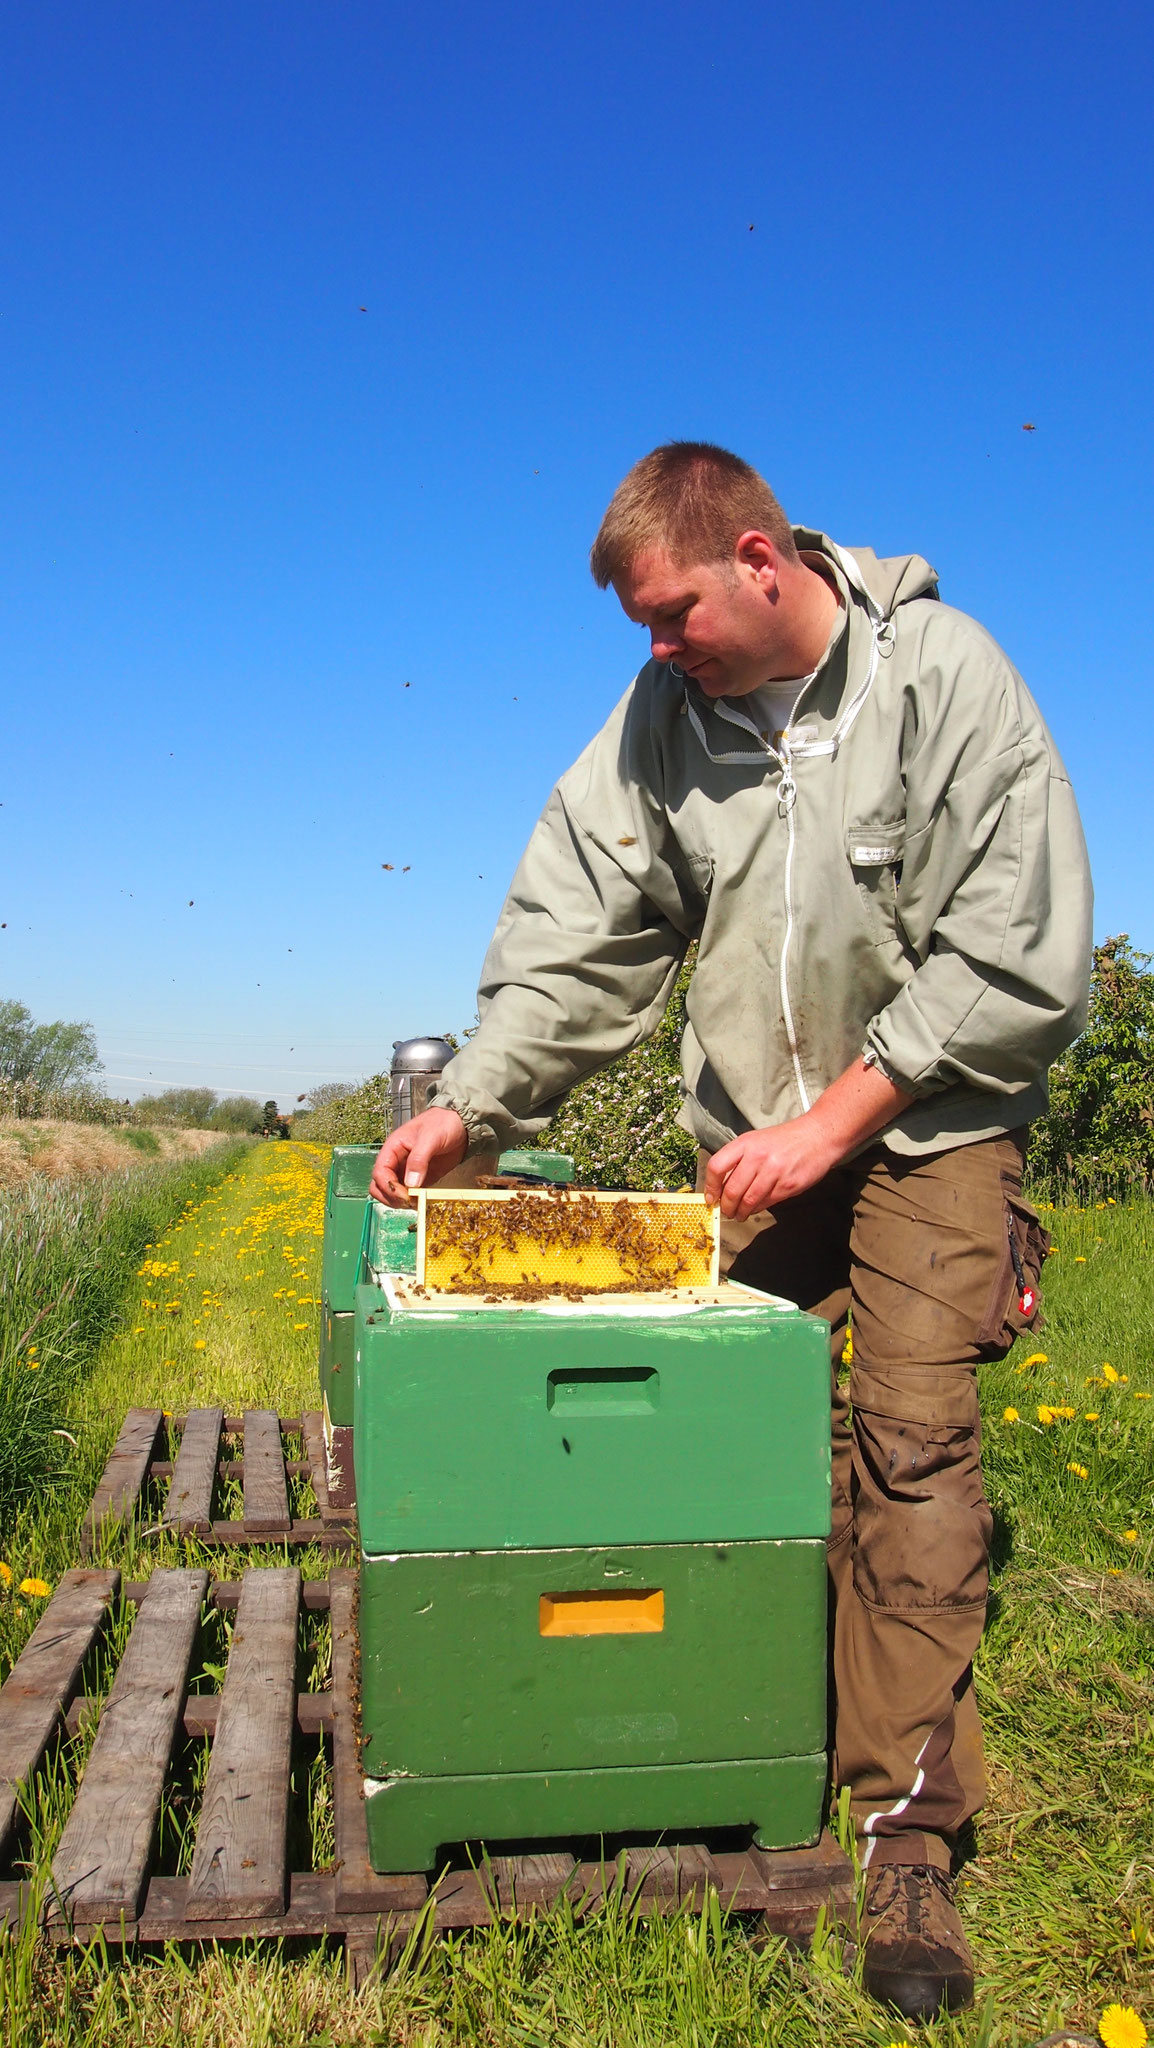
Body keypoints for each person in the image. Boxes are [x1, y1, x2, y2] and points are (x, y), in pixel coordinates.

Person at [371, 442, 1092, 2019]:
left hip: (928, 1127)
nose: (655, 646)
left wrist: (831, 1122)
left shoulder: (947, 680)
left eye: (671, 611)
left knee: (908, 1444)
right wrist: (474, 1106)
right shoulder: (662, 722)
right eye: (639, 625)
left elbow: (1015, 951)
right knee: (696, 1427)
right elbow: (577, 931)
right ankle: (676, 1716)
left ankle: (904, 1835)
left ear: (761, 559)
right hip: (747, 1148)